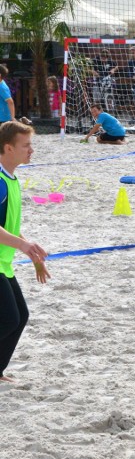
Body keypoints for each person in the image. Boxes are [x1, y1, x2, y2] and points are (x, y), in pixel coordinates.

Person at [0, 121, 50, 382]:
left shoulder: (11, 177)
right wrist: (22, 245)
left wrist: (31, 251)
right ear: (8, 148)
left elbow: (7, 224)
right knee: (8, 319)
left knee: (20, 318)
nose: (31, 150)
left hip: (3, 262)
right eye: (26, 145)